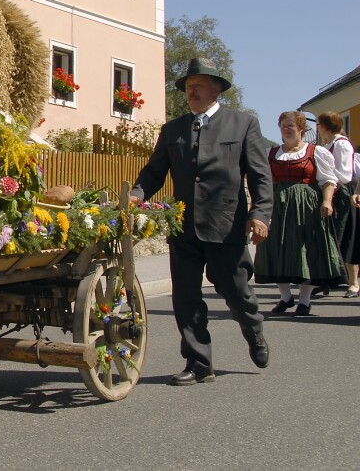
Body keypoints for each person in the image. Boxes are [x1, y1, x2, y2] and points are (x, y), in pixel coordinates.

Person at [131, 57, 273, 386]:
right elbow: (154, 172)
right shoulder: (173, 130)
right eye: (188, 86)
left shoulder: (243, 124)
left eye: (198, 85)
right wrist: (138, 194)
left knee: (236, 292)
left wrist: (261, 214)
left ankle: (254, 333)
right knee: (186, 297)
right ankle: (198, 363)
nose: (191, 91)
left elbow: (261, 177)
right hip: (183, 226)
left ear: (216, 88)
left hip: (226, 225)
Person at [254, 111, 344, 314]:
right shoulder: (271, 153)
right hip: (277, 206)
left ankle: (304, 300)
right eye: (283, 125)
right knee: (275, 248)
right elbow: (263, 181)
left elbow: (328, 180)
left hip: (307, 207)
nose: (286, 129)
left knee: (306, 250)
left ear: (301, 129)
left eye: (291, 126)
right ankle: (286, 298)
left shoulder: (315, 152)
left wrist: (327, 201)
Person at [316, 112, 357, 296]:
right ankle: (328, 279)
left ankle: (345, 280)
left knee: (340, 235)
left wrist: (330, 185)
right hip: (333, 191)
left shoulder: (341, 145)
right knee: (330, 235)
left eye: (319, 124)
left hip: (340, 193)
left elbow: (345, 174)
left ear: (325, 126)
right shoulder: (329, 144)